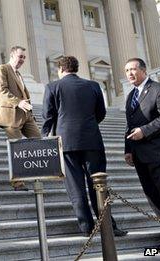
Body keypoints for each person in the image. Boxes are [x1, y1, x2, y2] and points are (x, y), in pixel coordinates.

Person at [42, 56, 127, 237]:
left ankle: (87, 228)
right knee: (98, 185)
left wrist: (44, 135)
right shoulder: (94, 86)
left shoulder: (52, 87)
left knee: (75, 187)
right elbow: (101, 113)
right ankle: (109, 226)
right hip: (92, 140)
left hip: (66, 144)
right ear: (76, 68)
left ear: (60, 69)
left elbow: (47, 115)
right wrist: (88, 124)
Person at [0, 45, 40, 191]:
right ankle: (18, 182)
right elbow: (2, 91)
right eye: (20, 56)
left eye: (24, 57)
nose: (22, 60)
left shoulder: (19, 74)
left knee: (38, 141)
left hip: (26, 115)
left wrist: (30, 111)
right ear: (12, 55)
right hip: (10, 115)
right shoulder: (2, 69)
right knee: (17, 149)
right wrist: (18, 102)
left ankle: (39, 172)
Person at [124, 58, 160, 236]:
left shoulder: (157, 90)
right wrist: (128, 150)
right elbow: (129, 124)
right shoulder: (131, 96)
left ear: (144, 70)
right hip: (139, 155)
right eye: (127, 71)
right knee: (152, 196)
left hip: (157, 153)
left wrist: (144, 131)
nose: (130, 74)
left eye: (133, 69)